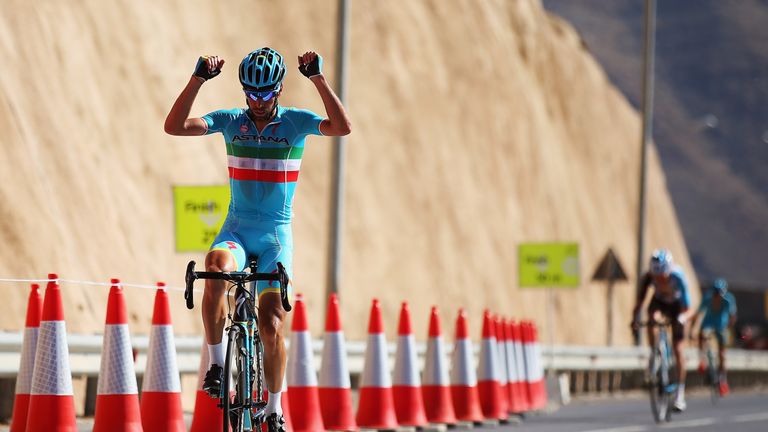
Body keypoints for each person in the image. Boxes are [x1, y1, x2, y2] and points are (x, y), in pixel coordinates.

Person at [164, 47, 351, 431]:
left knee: (271, 324)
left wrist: (317, 77)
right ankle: (217, 364)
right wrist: (197, 78)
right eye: (251, 93)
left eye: (266, 94)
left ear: (279, 90)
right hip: (236, 229)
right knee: (214, 269)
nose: (258, 101)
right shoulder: (231, 121)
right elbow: (174, 126)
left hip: (275, 238)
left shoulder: (296, 123)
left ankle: (275, 407)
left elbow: (342, 126)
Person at [631, 249, 691, 412]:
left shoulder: (678, 277)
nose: (659, 279)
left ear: (669, 271)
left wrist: (682, 319)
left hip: (677, 307)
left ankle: (680, 394)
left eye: (662, 276)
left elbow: (688, 308)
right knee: (652, 318)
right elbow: (639, 303)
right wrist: (635, 320)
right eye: (656, 276)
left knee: (678, 350)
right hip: (659, 303)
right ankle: (654, 353)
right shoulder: (649, 277)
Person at [689, 278, 737, 396]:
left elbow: (732, 317)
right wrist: (693, 329)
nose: (717, 296)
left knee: (722, 354)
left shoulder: (728, 300)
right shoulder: (707, 298)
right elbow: (699, 313)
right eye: (715, 293)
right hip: (708, 323)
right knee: (703, 335)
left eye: (719, 294)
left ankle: (723, 380)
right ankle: (702, 359)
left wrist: (729, 329)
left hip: (721, 326)